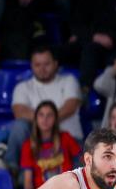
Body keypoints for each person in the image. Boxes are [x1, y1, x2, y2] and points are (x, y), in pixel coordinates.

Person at [8, 44, 82, 174]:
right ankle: (10, 170)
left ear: (55, 64)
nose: (42, 69)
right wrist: (47, 121)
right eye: (37, 65)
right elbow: (19, 111)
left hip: (70, 140)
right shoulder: (22, 87)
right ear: (31, 65)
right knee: (19, 126)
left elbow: (71, 105)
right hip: (38, 145)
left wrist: (44, 119)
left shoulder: (69, 81)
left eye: (46, 64)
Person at [20, 101, 81, 189]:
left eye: (49, 115)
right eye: (41, 115)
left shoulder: (66, 138)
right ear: (36, 119)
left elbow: (81, 166)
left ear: (55, 119)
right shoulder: (28, 145)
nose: (45, 119)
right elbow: (28, 183)